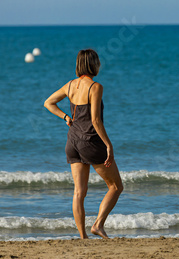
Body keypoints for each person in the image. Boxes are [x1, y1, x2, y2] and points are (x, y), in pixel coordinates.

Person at [44, 49, 123, 239]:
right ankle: (98, 225)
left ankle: (83, 237)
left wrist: (65, 117)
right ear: (93, 64)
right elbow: (95, 120)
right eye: (98, 62)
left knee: (79, 192)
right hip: (91, 142)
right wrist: (108, 145)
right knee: (116, 187)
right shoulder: (95, 87)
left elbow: (48, 103)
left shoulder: (70, 85)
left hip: (72, 142)